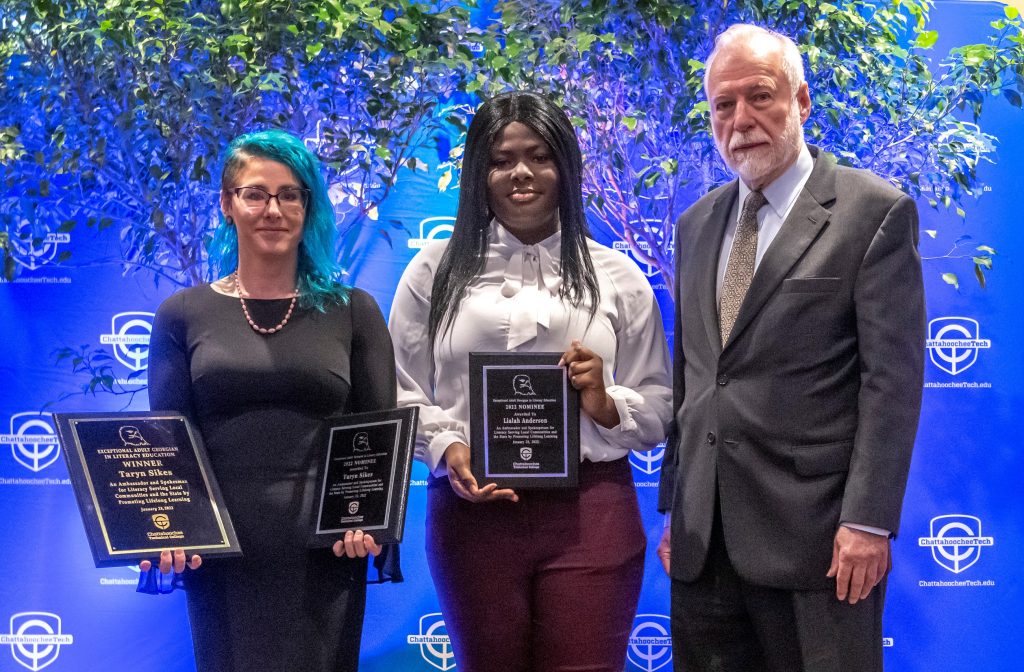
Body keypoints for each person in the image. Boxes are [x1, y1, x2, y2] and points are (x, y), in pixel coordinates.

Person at [656, 24, 925, 672]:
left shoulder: (872, 213)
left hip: (820, 545)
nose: (741, 120)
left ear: (801, 102)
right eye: (724, 104)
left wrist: (868, 521)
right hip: (704, 549)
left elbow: (890, 383)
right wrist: (676, 506)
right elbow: (695, 377)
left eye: (760, 96)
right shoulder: (697, 223)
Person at [390, 91, 672, 672]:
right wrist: (446, 446)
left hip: (591, 516)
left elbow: (660, 404)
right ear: (478, 173)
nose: (521, 172)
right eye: (501, 159)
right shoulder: (432, 270)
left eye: (540, 156)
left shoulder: (617, 275)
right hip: (473, 517)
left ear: (565, 166)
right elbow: (398, 390)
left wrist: (603, 399)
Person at [143, 129, 401, 672]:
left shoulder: (355, 311)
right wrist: (163, 525)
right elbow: (168, 442)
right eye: (256, 193)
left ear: (308, 208)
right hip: (219, 548)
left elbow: (379, 438)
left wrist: (369, 520)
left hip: (327, 546)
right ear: (228, 205)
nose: (273, 209)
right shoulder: (181, 313)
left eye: (291, 194)